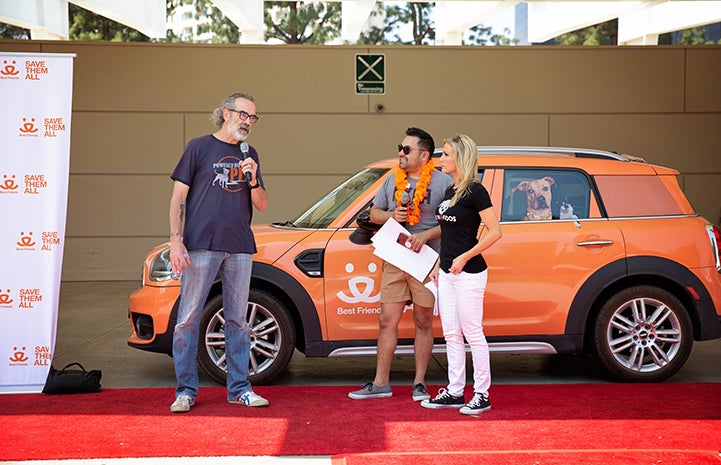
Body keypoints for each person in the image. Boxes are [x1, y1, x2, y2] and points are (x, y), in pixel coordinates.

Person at [168, 92, 269, 413]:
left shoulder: (249, 153)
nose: (248, 122)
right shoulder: (198, 148)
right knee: (187, 320)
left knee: (238, 322)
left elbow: (262, 204)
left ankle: (239, 388)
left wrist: (252, 177)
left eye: (253, 118)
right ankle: (185, 391)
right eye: (243, 115)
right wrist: (175, 240)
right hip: (200, 245)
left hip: (240, 245)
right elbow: (177, 199)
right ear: (225, 113)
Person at [349, 127, 452, 402]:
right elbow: (373, 211)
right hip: (395, 258)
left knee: (423, 322)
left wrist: (426, 235)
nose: (401, 153)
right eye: (400, 147)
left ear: (424, 155)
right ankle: (381, 382)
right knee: (386, 321)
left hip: (427, 262)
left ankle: (419, 383)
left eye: (406, 149)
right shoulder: (392, 180)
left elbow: (454, 224)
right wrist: (391, 215)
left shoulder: (443, 183)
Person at [421, 133, 502, 415]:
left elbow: (495, 231)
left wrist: (465, 257)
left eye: (445, 155)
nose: (440, 159)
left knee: (473, 333)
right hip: (446, 273)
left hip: (469, 273)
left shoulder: (476, 191)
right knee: (452, 334)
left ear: (460, 158)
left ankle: (482, 393)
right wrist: (437, 265)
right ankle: (455, 391)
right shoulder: (449, 192)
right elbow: (448, 233)